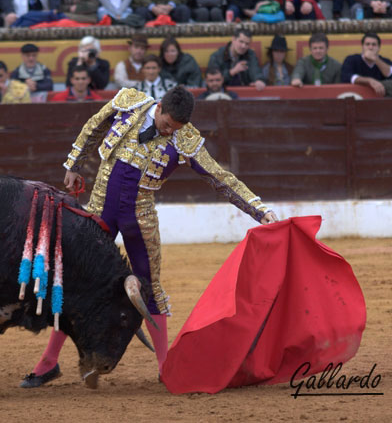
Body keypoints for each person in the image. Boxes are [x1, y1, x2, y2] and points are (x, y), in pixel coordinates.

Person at [19, 85, 277, 388]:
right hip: (100, 209)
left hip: (139, 219)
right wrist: (74, 164)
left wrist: (260, 211)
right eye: (167, 125)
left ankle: (165, 366)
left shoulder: (185, 138)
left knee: (150, 288)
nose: (169, 132)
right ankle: (48, 362)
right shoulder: (130, 102)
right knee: (77, 285)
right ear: (160, 108)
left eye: (176, 129)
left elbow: (221, 178)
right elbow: (93, 125)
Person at [340, 32, 392, 97]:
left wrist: (376, 59)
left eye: (374, 45)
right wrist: (369, 81)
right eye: (367, 44)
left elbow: (389, 74)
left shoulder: (384, 61)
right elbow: (346, 76)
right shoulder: (351, 59)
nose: (370, 47)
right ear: (362, 46)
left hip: (380, 99)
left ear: (379, 47)